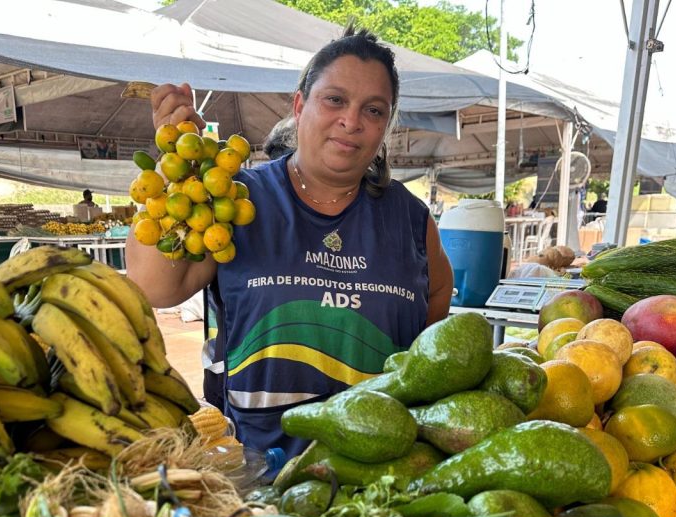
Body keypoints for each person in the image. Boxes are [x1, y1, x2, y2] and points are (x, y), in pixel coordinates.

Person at [127, 23, 454, 457]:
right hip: (259, 476)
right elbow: (156, 287)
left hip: (382, 473)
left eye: (374, 110)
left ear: (386, 126)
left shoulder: (410, 217)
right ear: (300, 106)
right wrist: (179, 170)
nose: (351, 121)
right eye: (334, 100)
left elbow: (438, 289)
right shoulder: (237, 199)